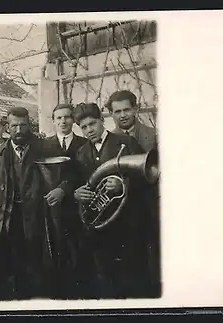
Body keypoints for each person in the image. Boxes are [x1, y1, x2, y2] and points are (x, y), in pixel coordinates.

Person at [72, 102, 159, 299]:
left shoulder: (125, 142)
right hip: (103, 227)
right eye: (84, 127)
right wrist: (77, 193)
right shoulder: (81, 152)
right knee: (107, 278)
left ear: (102, 120)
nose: (89, 130)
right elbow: (81, 183)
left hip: (129, 224)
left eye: (92, 124)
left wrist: (124, 186)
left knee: (135, 278)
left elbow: (149, 176)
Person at [0, 107, 71, 300]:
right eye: (14, 126)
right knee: (16, 265)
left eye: (23, 125)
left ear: (30, 126)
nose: (19, 130)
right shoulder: (0, 152)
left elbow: (70, 174)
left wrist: (61, 189)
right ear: (7, 127)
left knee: (42, 264)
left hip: (40, 216)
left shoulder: (46, 147)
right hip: (11, 217)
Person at [43, 103, 87, 297]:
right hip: (52, 209)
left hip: (78, 208)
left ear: (73, 121)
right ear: (53, 121)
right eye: (59, 118)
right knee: (56, 252)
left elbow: (85, 174)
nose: (63, 121)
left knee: (78, 252)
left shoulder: (84, 144)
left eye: (67, 117)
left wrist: (64, 190)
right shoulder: (44, 146)